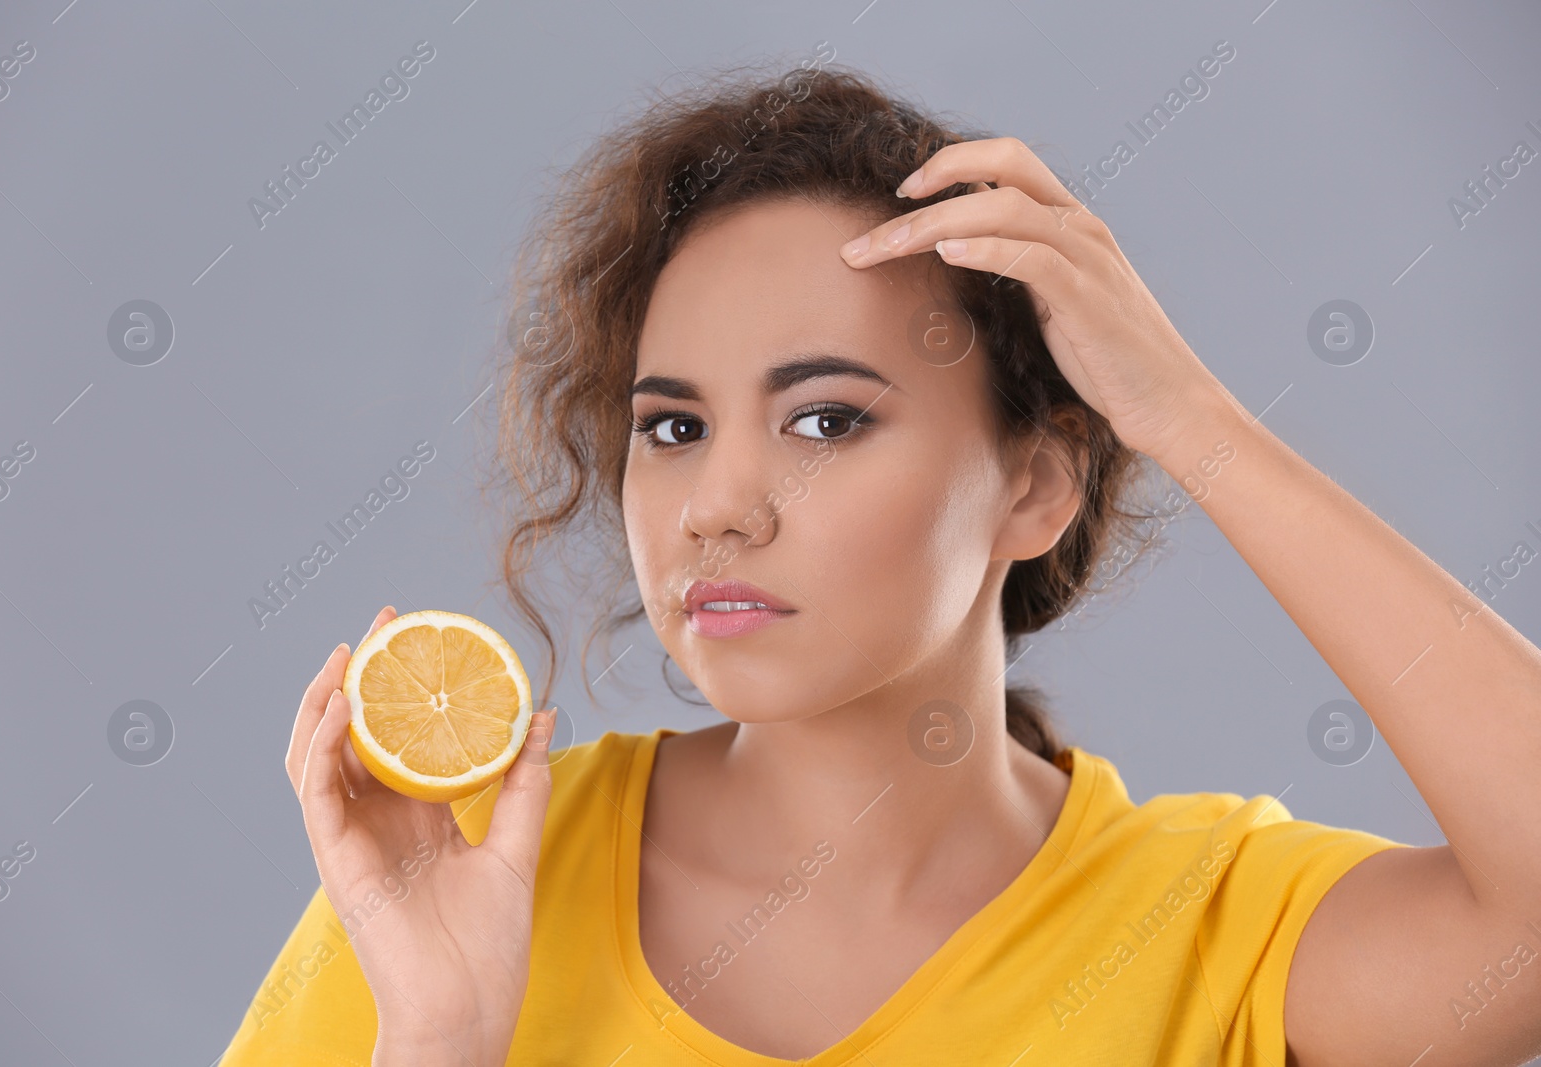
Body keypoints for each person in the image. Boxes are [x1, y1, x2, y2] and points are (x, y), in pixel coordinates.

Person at [217, 60, 1541, 1066]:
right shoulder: (448, 886)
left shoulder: (1209, 926)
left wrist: (1189, 418)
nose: (715, 509)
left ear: (1034, 485)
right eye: (671, 427)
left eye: (826, 421)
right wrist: (437, 1041)